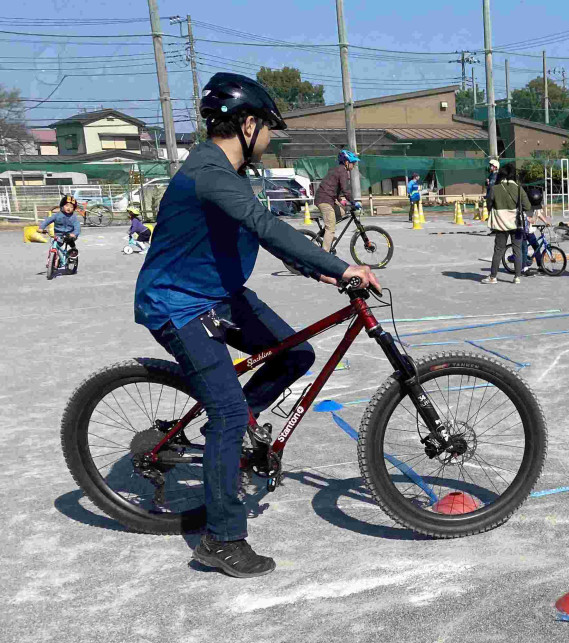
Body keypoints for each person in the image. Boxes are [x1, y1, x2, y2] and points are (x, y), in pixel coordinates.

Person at [134, 72, 380, 577]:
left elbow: (258, 233)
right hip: (179, 304)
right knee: (226, 411)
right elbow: (265, 226)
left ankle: (234, 431)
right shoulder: (209, 172)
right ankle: (222, 539)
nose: (269, 137)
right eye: (268, 127)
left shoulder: (227, 173)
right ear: (247, 125)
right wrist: (342, 267)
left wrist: (317, 269)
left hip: (220, 294)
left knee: (296, 353)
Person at [484, 163, 530, 285]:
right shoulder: (519, 189)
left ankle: (493, 277)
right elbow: (527, 206)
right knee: (517, 250)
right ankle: (517, 277)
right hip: (517, 224)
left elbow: (489, 205)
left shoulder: (495, 188)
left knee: (498, 250)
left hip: (501, 224)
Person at [315, 149, 359, 251]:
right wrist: (353, 202)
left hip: (328, 198)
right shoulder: (342, 171)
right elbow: (345, 189)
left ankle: (325, 235)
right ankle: (324, 255)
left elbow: (332, 186)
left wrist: (340, 200)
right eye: (353, 163)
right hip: (324, 200)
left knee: (342, 212)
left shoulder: (336, 169)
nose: (354, 165)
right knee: (331, 228)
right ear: (346, 162)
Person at [39, 194, 81, 261]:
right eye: (66, 206)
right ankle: (53, 258)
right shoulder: (57, 215)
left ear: (74, 209)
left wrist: (74, 234)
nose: (69, 208)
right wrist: (41, 228)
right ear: (62, 206)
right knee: (55, 246)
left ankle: (74, 250)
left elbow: (77, 226)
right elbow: (47, 220)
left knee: (70, 241)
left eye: (71, 207)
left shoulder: (73, 217)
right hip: (58, 235)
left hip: (69, 235)